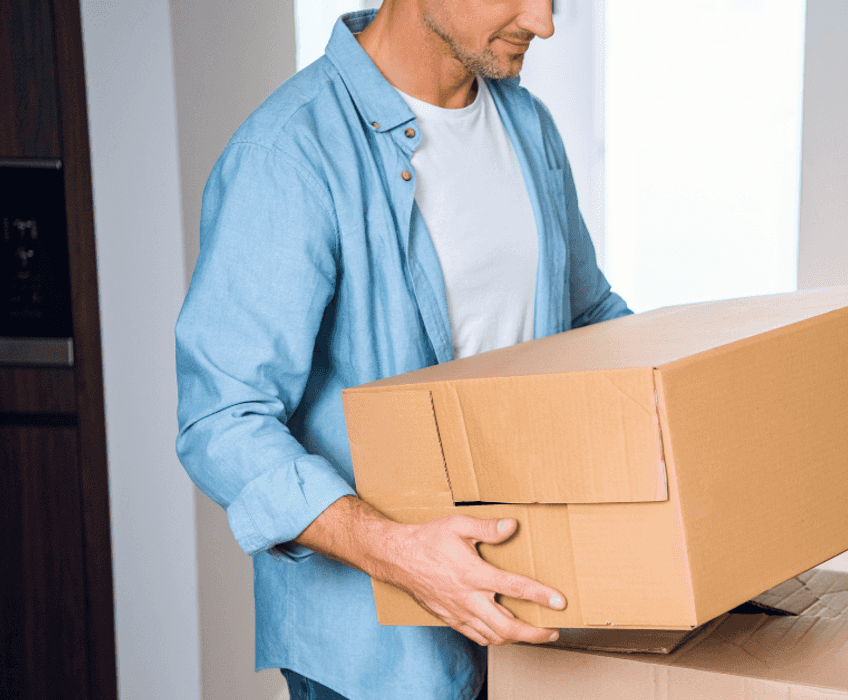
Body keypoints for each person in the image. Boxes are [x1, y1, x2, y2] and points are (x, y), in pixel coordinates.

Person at [174, 2, 630, 699]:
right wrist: (399, 554)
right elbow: (221, 421)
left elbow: (589, 316)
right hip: (378, 660)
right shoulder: (290, 152)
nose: (542, 23)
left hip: (528, 616)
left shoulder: (526, 123)